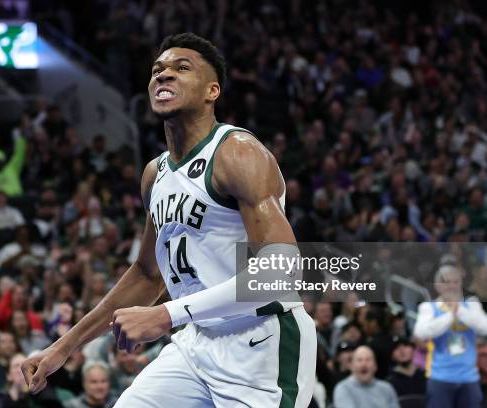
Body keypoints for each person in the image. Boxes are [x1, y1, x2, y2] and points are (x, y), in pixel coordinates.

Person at [22, 32, 316, 407]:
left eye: (181, 68)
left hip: (260, 343)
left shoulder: (237, 153)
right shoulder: (155, 174)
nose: (164, 75)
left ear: (212, 91)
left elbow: (282, 271)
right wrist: (61, 349)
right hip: (195, 343)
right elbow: (147, 275)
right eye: (157, 70)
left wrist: (166, 314)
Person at [414, 264, 487, 408]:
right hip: (440, 376)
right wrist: (450, 315)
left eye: (456, 282)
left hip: (469, 377)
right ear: (438, 286)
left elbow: (484, 328)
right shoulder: (428, 307)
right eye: (447, 282)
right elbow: (421, 333)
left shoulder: (471, 304)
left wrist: (459, 310)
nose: (452, 286)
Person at [333, 346, 400, 408]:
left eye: (368, 360)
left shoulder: (387, 388)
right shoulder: (343, 388)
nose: (364, 364)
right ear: (352, 366)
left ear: (375, 366)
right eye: (359, 360)